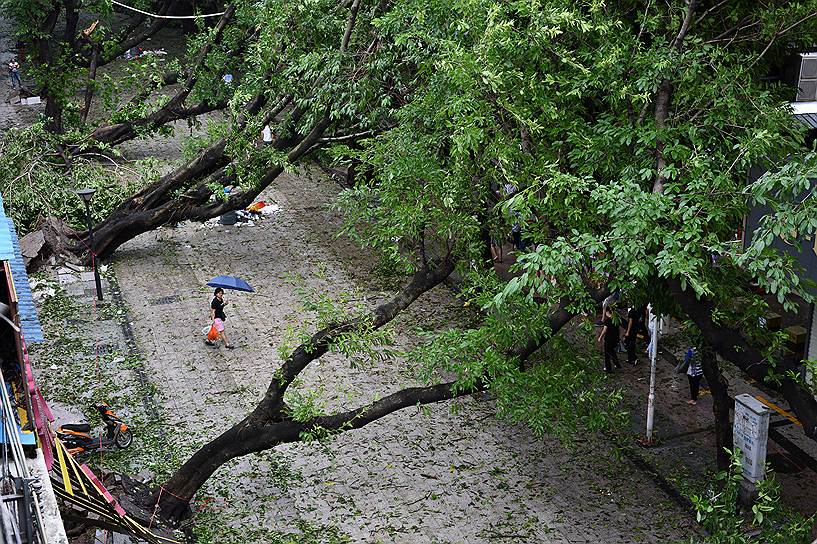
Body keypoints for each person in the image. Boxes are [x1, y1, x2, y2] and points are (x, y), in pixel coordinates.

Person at [597, 308, 621, 372]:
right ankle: (617, 364)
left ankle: (608, 368)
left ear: (607, 312)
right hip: (615, 338)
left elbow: (605, 330)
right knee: (612, 351)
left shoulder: (607, 321)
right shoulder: (616, 320)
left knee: (607, 354)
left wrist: (600, 337)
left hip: (609, 339)